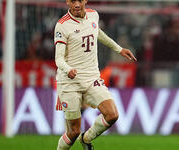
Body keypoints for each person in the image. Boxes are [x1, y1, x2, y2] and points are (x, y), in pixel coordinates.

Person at [54, 0, 137, 150]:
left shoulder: (93, 15)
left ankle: (86, 139)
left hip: (92, 78)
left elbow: (97, 32)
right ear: (67, 2)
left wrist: (119, 49)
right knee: (73, 132)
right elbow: (58, 59)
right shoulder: (62, 25)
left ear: (85, 0)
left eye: (80, 0)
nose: (77, 4)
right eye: (73, 1)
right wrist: (68, 69)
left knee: (112, 115)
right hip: (69, 81)